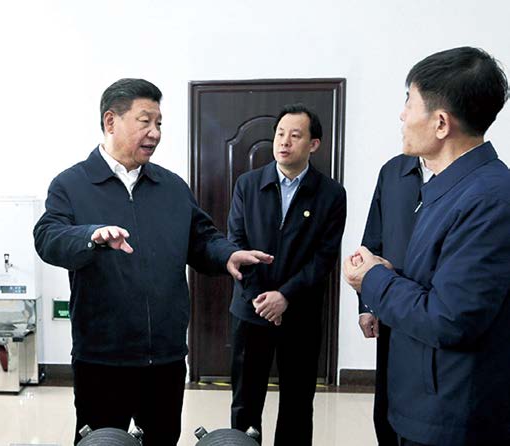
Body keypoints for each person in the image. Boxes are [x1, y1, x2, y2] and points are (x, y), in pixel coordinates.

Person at [33, 78, 272, 446]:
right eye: (145, 121)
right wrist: (91, 236)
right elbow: (48, 237)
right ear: (111, 121)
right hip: (102, 359)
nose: (155, 133)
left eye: (159, 123)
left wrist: (227, 254)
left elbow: (202, 239)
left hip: (165, 358)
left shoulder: (171, 187)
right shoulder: (72, 184)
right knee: (104, 442)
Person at [344, 47, 510, 446]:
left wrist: (374, 279)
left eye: (409, 102)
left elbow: (449, 318)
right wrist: (387, 273)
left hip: (450, 413)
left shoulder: (489, 199)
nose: (402, 115)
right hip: (423, 397)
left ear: (440, 123)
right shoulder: (449, 187)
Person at [227, 104, 347, 445]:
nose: (284, 142)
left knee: (297, 402)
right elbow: (237, 244)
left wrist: (285, 297)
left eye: (295, 135)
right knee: (245, 401)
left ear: (313, 144)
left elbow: (324, 258)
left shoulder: (331, 194)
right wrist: (262, 299)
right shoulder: (248, 184)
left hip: (301, 314)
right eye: (280, 133)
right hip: (251, 310)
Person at [358, 153, 431, 446]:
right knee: (387, 406)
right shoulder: (392, 171)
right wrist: (367, 305)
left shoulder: (469, 180)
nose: (403, 129)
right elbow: (372, 242)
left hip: (435, 311)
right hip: (390, 308)